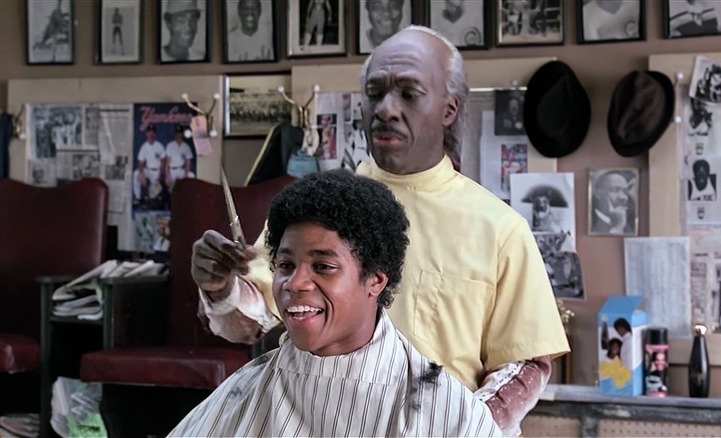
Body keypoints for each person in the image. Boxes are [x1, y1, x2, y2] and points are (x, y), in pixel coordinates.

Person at [191, 25, 569, 437]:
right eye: (375, 93)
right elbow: (246, 321)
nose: (386, 108)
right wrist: (220, 287)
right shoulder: (320, 211)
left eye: (409, 93)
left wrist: (454, 423)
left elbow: (525, 364)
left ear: (449, 108)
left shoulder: (500, 228)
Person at [171, 170, 503, 437]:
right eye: (285, 265)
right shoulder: (247, 392)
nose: (294, 283)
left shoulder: (446, 414)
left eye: (323, 266)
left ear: (375, 279)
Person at [590, 170, 635, 235]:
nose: (623, 197)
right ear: (598, 193)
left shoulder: (630, 224)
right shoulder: (590, 223)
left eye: (625, 192)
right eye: (615, 190)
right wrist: (618, 227)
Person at [133, 123, 166, 201]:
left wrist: (159, 177)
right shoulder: (144, 146)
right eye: (149, 132)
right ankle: (138, 198)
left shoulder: (159, 146)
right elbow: (140, 162)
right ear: (146, 134)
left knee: (156, 196)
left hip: (157, 172)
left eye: (152, 132)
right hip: (148, 170)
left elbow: (163, 162)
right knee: (136, 173)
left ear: (155, 134)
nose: (151, 134)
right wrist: (141, 174)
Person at [164, 124, 195, 191]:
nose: (179, 135)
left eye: (180, 133)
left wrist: (186, 175)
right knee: (170, 188)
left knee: (192, 175)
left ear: (182, 134)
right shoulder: (170, 145)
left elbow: (188, 163)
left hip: (180, 170)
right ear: (175, 134)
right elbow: (167, 162)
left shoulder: (186, 146)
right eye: (178, 133)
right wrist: (167, 175)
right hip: (172, 170)